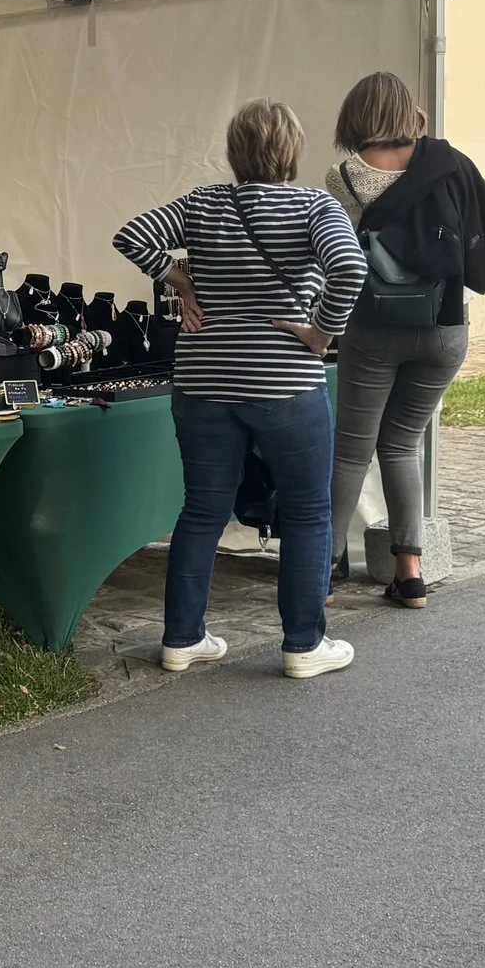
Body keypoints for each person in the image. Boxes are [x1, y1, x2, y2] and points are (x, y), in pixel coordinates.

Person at [114, 100, 366, 679]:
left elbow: (132, 236)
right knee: (306, 511)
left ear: (234, 152)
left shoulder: (202, 203)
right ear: (293, 150)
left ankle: (181, 639)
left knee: (203, 508)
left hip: (203, 378)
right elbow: (350, 267)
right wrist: (320, 332)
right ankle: (304, 645)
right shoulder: (314, 205)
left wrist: (179, 278)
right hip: (285, 379)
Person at [324, 72, 485, 608]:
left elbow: (343, 258)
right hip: (444, 328)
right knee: (402, 444)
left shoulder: (344, 178)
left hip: (373, 328)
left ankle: (319, 567)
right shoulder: (452, 164)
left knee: (351, 451)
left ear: (356, 115)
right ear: (408, 111)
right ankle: (409, 571)